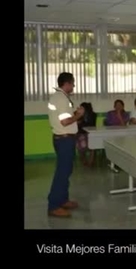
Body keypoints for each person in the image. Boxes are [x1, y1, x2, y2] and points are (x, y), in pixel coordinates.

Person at [47, 72, 84, 218]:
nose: (74, 86)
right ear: (67, 83)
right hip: (64, 140)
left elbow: (65, 117)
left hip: (64, 139)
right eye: (73, 83)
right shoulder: (61, 99)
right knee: (62, 173)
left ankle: (63, 199)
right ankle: (54, 205)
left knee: (66, 170)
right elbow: (65, 122)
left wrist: (75, 113)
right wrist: (79, 115)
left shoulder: (60, 98)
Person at [76, 102, 97, 167]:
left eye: (82, 108)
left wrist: (80, 122)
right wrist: (78, 115)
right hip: (80, 133)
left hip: (90, 133)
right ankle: (83, 160)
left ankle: (91, 161)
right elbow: (77, 125)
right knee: (81, 144)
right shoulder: (77, 114)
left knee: (93, 145)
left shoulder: (93, 115)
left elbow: (91, 125)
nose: (80, 109)